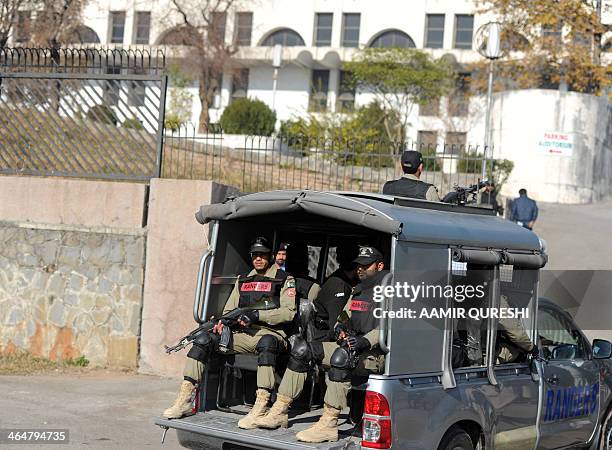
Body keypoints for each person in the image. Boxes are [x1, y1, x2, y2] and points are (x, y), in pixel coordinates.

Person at [254, 246, 386, 444]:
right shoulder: (359, 289)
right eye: (359, 265)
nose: (360, 269)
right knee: (302, 350)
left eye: (366, 266)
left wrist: (364, 341)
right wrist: (340, 328)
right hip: (351, 345)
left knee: (340, 357)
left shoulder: (391, 291)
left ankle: (329, 424)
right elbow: (345, 315)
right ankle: (280, 410)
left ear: (380, 266)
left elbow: (390, 327)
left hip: (375, 354)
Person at [162, 236, 297, 430]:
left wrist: (257, 314)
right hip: (243, 334)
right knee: (203, 339)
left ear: (272, 256)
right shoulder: (243, 280)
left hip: (270, 333)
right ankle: (185, 398)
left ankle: (261, 406)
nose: (258, 259)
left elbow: (288, 312)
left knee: (267, 342)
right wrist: (224, 324)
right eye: (255, 255)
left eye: (263, 255)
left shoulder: (285, 279)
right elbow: (228, 311)